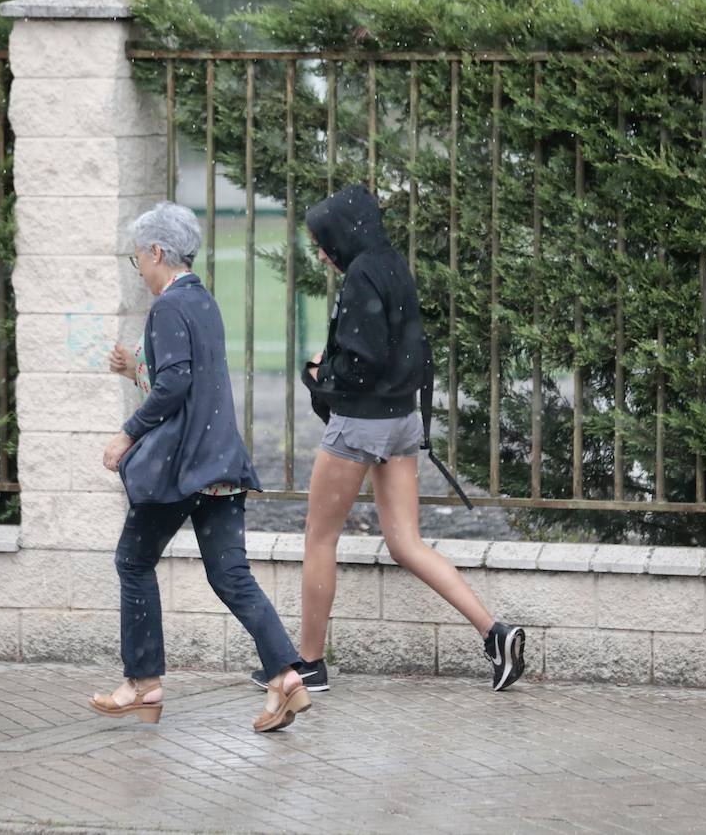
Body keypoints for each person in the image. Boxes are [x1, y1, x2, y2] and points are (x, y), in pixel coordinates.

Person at [251, 183, 526, 694]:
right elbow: (408, 349)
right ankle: (495, 633)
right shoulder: (392, 265)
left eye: (322, 241)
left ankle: (310, 664)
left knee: (319, 535)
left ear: (341, 235)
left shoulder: (360, 276)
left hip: (363, 422)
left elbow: (361, 361)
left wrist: (319, 373)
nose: (321, 252)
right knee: (405, 542)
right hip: (403, 420)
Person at [92, 201, 310, 733]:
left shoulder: (167, 308)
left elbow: (174, 386)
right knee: (231, 575)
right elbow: (188, 382)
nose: (138, 268)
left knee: (132, 563)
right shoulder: (203, 301)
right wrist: (136, 369)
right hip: (220, 465)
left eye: (137, 258)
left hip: (180, 470)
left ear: (157, 252)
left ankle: (143, 683)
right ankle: (286, 678)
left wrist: (126, 434)